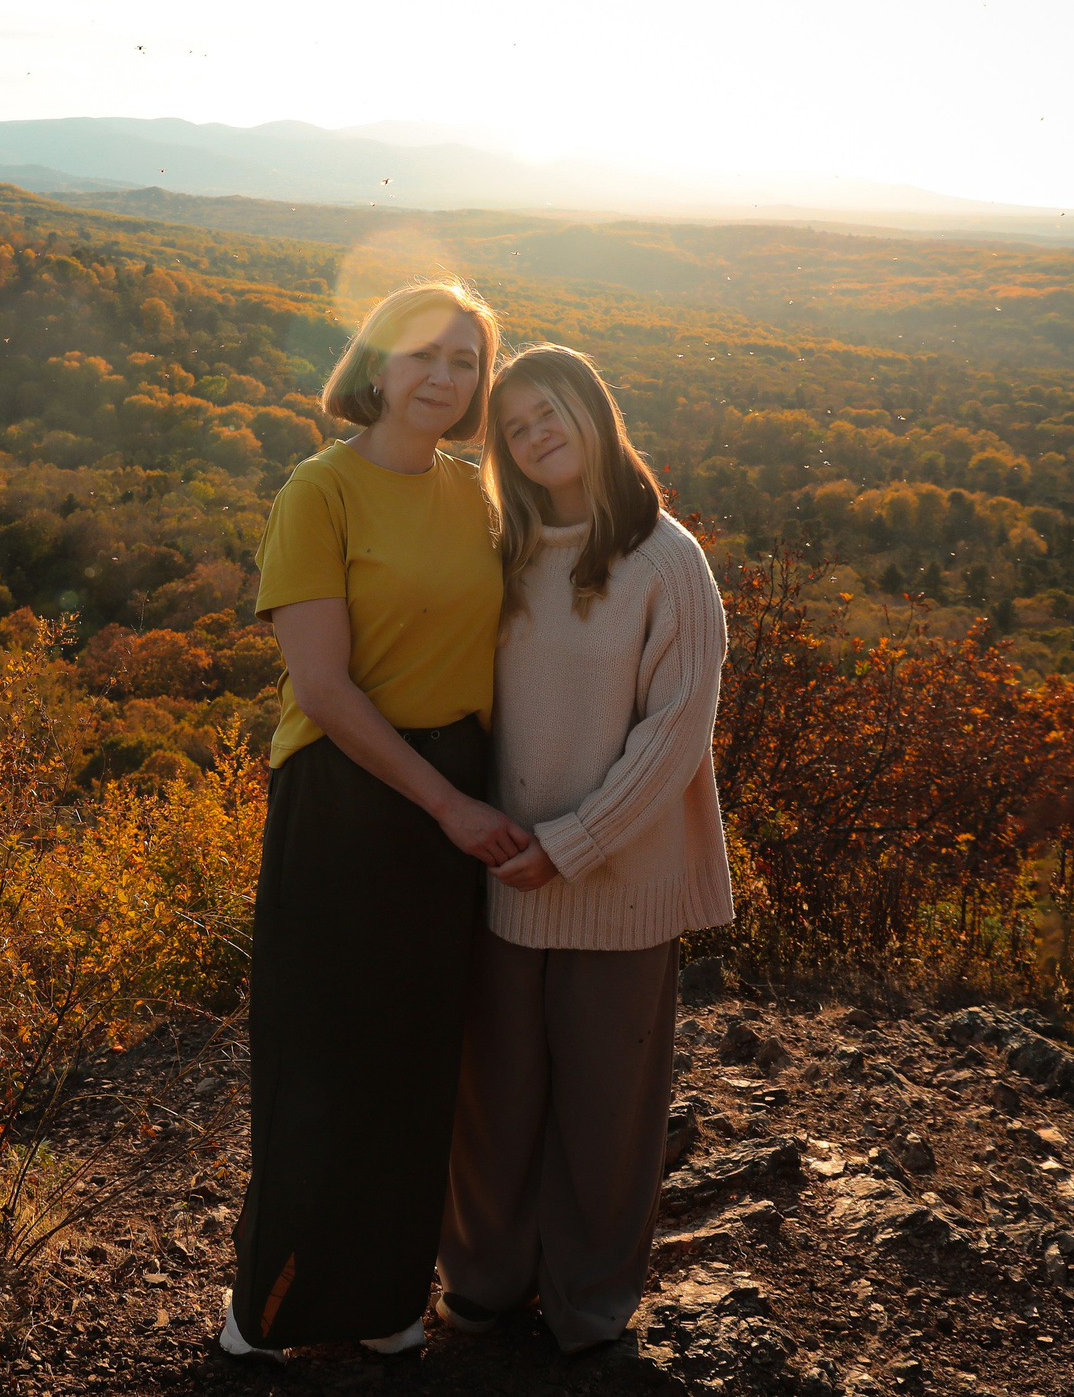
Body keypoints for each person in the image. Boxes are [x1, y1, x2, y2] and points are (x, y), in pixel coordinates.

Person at [220, 280, 528, 1360]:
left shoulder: (481, 495)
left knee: (416, 1056)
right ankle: (270, 1313)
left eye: (465, 363)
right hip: (350, 795)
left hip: (459, 790)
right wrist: (447, 804)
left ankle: (391, 1300)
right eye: (423, 356)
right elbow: (324, 690)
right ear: (376, 367)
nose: (444, 379)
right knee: (321, 1053)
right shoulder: (321, 490)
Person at [435, 343, 733, 1354]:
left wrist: (570, 844)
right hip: (506, 874)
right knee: (495, 1100)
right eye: (513, 427)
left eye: (549, 410)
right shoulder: (506, 552)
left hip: (617, 882)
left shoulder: (667, 563)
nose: (533, 434)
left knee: (607, 1114)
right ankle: (482, 1284)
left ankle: (588, 1305)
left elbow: (674, 735)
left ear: (594, 412)